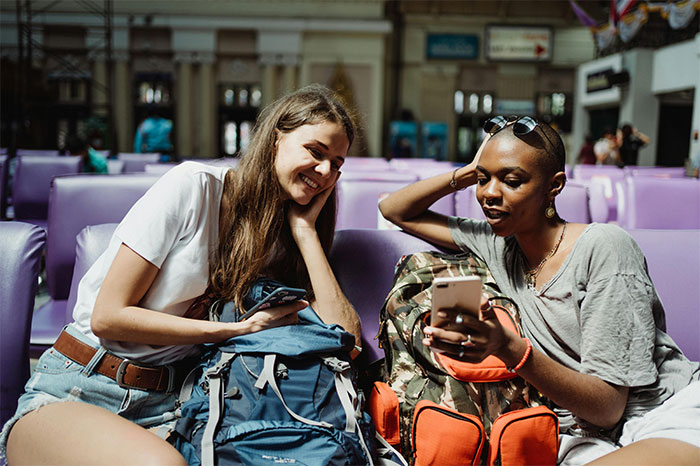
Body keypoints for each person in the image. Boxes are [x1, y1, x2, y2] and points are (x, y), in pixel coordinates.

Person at [1, 84, 362, 465]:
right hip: (84, 383)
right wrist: (229, 331)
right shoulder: (193, 187)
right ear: (275, 139)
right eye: (316, 152)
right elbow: (108, 318)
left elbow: (347, 340)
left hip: (177, 402)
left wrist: (306, 234)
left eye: (337, 164)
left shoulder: (282, 235)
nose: (325, 171)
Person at [378, 115, 700, 465]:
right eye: (484, 181)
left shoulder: (605, 247)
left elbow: (609, 406)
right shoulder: (497, 242)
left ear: (554, 185)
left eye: (512, 180)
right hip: (578, 433)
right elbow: (394, 209)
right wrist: (470, 170)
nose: (489, 194)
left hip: (663, 411)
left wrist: (510, 349)